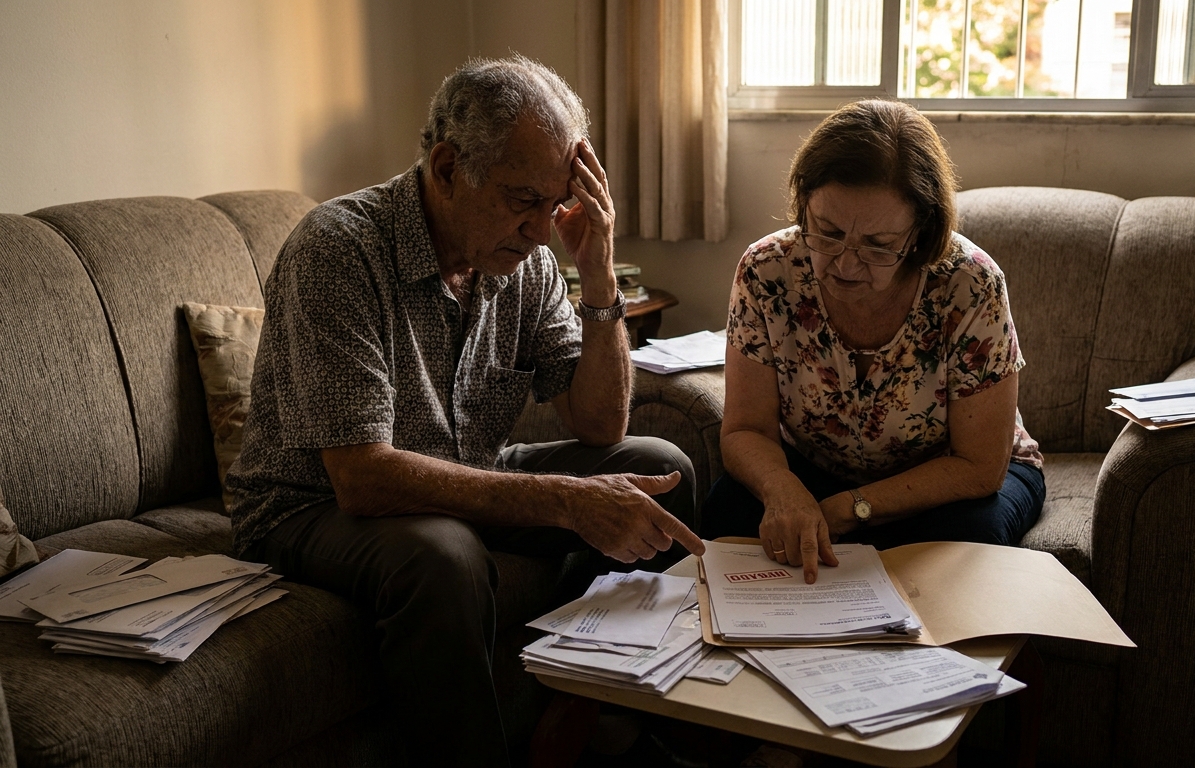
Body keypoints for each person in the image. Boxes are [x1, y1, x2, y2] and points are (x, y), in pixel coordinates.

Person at [225, 55, 705, 767]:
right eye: (522, 199)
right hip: (311, 504)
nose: (542, 229)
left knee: (658, 467)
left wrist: (598, 273)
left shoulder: (529, 259)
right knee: (443, 557)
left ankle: (610, 720)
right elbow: (363, 477)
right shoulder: (338, 249)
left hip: (458, 468)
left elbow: (599, 425)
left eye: (557, 203)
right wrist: (565, 503)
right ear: (448, 167)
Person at [702, 99, 1044, 585]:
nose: (844, 263)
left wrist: (850, 509)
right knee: (726, 511)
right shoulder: (767, 272)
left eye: (878, 246)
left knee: (970, 537)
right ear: (804, 206)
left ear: (920, 233)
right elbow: (745, 430)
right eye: (828, 232)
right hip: (819, 470)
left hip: (950, 483)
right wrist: (785, 491)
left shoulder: (970, 285)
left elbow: (978, 467)